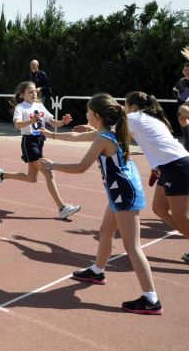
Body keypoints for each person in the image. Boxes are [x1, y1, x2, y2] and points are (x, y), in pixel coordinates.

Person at [39, 93, 162, 315]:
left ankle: (151, 298)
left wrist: (53, 166)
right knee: (105, 232)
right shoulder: (109, 132)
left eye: (88, 112)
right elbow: (77, 138)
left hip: (124, 194)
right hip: (120, 192)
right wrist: (51, 135)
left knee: (132, 246)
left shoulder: (103, 138)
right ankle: (97, 271)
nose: (85, 115)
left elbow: (80, 167)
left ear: (96, 116)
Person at [74, 91, 189, 265]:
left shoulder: (133, 118)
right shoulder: (145, 118)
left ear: (133, 107)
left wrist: (91, 127)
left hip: (176, 167)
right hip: (169, 166)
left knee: (181, 218)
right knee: (159, 208)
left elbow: (106, 130)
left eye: (126, 106)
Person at [0, 81, 80, 219]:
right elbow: (17, 124)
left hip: (40, 142)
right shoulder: (21, 107)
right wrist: (31, 122)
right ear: (22, 95)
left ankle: (1, 175)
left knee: (31, 178)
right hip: (29, 143)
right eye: (30, 92)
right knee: (48, 172)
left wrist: (63, 122)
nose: (34, 94)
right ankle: (62, 208)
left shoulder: (40, 106)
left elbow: (52, 122)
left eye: (35, 91)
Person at [173, 62, 189, 150]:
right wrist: (180, 99)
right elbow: (174, 91)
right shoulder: (181, 81)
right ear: (183, 71)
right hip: (182, 111)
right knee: (186, 134)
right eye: (185, 70)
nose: (187, 72)